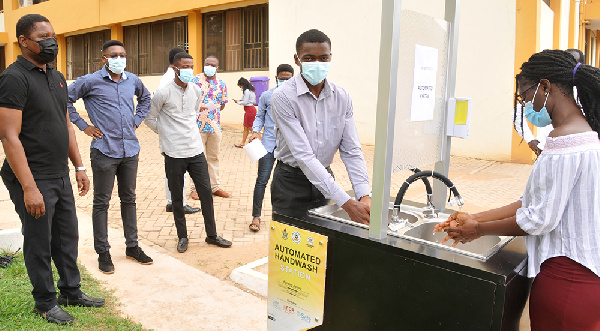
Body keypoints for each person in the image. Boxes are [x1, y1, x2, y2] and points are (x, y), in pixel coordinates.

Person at [435, 50, 600, 330]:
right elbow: (531, 202)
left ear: (545, 87)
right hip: (587, 279)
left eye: (526, 94)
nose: (525, 103)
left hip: (566, 283)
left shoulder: (564, 143)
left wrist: (478, 230)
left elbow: (539, 219)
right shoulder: (586, 133)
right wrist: (477, 217)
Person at [0, 14, 104, 325]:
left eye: (53, 35)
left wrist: (79, 166)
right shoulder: (13, 78)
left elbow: (66, 125)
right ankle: (45, 302)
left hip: (59, 173)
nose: (51, 42)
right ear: (24, 41)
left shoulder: (57, 77)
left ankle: (71, 290)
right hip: (33, 176)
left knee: (66, 237)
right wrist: (29, 187)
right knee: (39, 241)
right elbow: (8, 135)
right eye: (43, 36)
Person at [68, 40, 153, 274]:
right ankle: (103, 252)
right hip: (104, 150)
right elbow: (65, 101)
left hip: (130, 150)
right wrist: (84, 126)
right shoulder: (89, 81)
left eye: (122, 55)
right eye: (113, 55)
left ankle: (132, 247)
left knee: (129, 199)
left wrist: (137, 120)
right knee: (101, 203)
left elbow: (146, 99)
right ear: (103, 58)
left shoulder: (132, 80)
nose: (119, 59)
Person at [270, 29, 371, 224]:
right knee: (290, 244)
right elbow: (303, 155)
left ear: (330, 57)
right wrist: (347, 204)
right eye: (309, 58)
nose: (317, 64)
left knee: (320, 243)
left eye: (323, 58)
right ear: (297, 59)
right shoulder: (283, 97)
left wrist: (363, 194)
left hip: (324, 180)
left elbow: (351, 150)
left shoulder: (342, 97)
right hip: (291, 182)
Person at [145, 52, 232, 252]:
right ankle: (182, 236)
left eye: (190, 66)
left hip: (195, 150)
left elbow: (193, 113)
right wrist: (165, 133)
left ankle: (212, 235)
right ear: (174, 68)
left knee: (206, 194)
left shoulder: (195, 89)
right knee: (177, 198)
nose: (188, 70)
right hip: (173, 152)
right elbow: (150, 118)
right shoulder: (162, 92)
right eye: (184, 67)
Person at [247, 64, 294, 232]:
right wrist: (255, 131)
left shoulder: (297, 97)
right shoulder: (267, 96)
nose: (285, 81)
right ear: (276, 78)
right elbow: (259, 116)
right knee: (262, 180)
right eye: (282, 78)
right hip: (268, 145)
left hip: (288, 148)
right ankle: (256, 216)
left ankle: (283, 216)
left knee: (285, 183)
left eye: (288, 79)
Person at [159, 47, 200, 215]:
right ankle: (179, 204)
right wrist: (163, 130)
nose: (188, 69)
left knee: (172, 173)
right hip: (176, 138)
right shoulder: (169, 81)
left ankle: (172, 202)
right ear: (176, 63)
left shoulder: (167, 77)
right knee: (178, 174)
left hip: (176, 136)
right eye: (185, 66)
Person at [191, 55, 231, 198]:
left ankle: (215, 187)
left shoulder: (222, 84)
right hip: (197, 126)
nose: (209, 66)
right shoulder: (195, 80)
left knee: (214, 158)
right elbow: (188, 99)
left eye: (212, 64)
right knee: (197, 158)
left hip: (214, 126)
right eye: (207, 64)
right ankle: (195, 188)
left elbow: (223, 104)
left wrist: (212, 113)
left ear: (217, 67)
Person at [233, 77, 256, 148]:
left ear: (242, 85)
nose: (240, 87)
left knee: (250, 127)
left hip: (250, 110)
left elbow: (245, 102)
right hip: (249, 110)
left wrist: (238, 102)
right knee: (246, 127)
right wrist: (240, 100)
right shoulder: (251, 91)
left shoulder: (246, 91)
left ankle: (258, 140)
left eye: (240, 86)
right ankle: (243, 143)